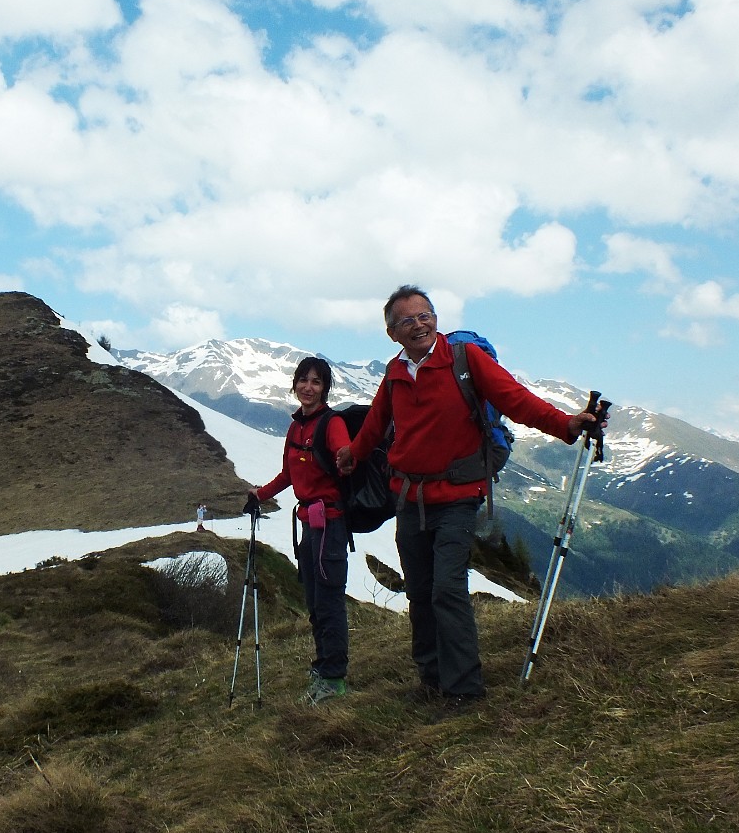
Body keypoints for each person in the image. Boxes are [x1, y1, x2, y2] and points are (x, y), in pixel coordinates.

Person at [337, 285, 602, 714]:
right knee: (420, 591)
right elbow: (376, 424)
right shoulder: (395, 372)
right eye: (408, 320)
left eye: (426, 315)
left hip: (457, 496)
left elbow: (515, 400)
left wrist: (567, 424)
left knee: (447, 589)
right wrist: (354, 454)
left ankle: (463, 690)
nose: (420, 324)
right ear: (392, 333)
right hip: (409, 497)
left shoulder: (464, 359)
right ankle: (431, 678)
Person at [249, 356, 353, 705]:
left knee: (328, 603)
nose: (308, 387)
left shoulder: (330, 423)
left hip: (331, 524)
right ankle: (323, 667)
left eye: (317, 382)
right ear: (295, 384)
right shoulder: (296, 428)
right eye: (303, 380)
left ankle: (334, 679)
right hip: (309, 523)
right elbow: (288, 475)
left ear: (325, 389)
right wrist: (259, 496)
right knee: (314, 601)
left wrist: (346, 456)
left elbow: (346, 457)